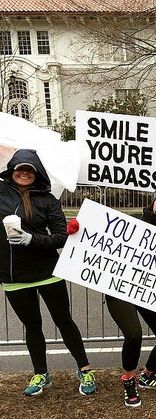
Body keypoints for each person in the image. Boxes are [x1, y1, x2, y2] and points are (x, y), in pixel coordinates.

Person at [68, 185, 156, 407]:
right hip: (119, 288)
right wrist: (78, 231)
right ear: (152, 204)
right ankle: (129, 380)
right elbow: (100, 234)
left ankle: (148, 375)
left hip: (147, 289)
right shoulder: (136, 222)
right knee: (133, 334)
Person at [0, 149, 96, 396]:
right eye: (20, 168)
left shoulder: (47, 200)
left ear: (37, 173)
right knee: (32, 325)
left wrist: (32, 239)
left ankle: (84, 369)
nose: (24, 173)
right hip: (13, 277)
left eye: (29, 169)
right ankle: (41, 373)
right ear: (11, 170)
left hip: (47, 271)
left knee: (64, 320)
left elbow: (60, 236)